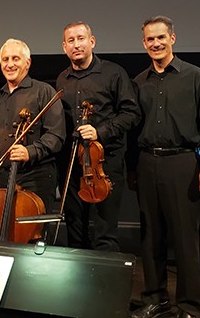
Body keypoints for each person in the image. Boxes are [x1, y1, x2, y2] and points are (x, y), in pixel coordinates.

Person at [132, 16, 200, 318]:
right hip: (147, 163)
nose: (156, 44)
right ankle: (155, 297)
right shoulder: (138, 82)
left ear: (173, 38)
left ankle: (189, 305)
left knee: (186, 238)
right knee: (150, 237)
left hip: (183, 162)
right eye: (150, 39)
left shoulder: (196, 77)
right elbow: (132, 129)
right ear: (144, 43)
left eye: (161, 37)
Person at [56, 21, 140, 251]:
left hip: (105, 163)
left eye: (81, 38)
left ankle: (104, 284)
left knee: (105, 231)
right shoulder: (62, 79)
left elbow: (131, 114)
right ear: (64, 47)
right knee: (74, 229)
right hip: (74, 163)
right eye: (71, 41)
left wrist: (99, 132)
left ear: (92, 42)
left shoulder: (113, 73)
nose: (76, 44)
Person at [0, 38, 65, 235]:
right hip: (7, 176)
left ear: (28, 63)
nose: (10, 64)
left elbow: (56, 135)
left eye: (16, 58)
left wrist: (29, 151)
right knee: (5, 233)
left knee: (34, 236)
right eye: (5, 59)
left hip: (37, 175)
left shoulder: (43, 91)